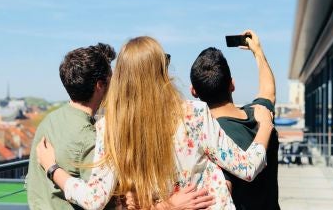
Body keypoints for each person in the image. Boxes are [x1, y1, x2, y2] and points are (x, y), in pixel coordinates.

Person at [36, 36, 275, 209]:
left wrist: (52, 169)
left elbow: (93, 200)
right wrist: (264, 125)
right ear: (161, 73)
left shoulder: (111, 128)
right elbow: (247, 168)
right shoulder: (195, 114)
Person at [190, 30, 280, 210]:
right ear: (232, 84)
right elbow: (268, 91)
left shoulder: (211, 137)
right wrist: (258, 52)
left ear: (194, 91)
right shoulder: (260, 115)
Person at [26, 43, 116, 209]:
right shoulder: (89, 137)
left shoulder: (49, 121)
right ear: (100, 85)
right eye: (111, 80)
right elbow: (97, 200)